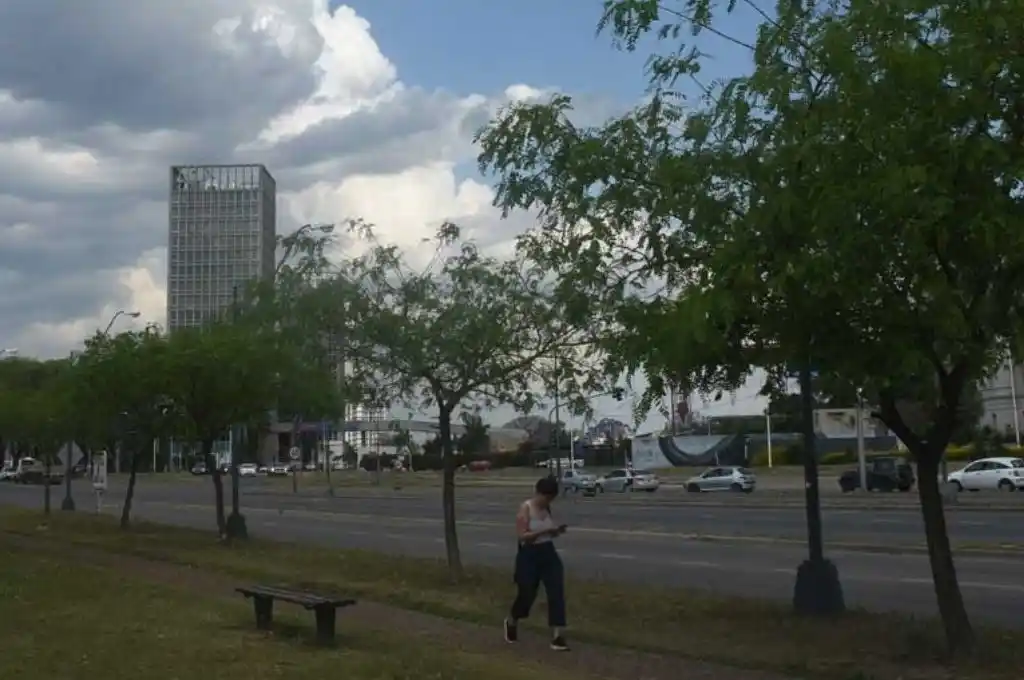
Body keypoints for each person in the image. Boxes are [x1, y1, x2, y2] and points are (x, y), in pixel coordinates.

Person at [503, 475, 569, 651]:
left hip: (548, 552)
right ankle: (512, 619)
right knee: (527, 593)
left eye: (551, 498)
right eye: (546, 497)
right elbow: (522, 536)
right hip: (529, 555)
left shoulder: (547, 509)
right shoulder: (526, 508)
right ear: (538, 493)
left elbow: (549, 532)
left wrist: (555, 531)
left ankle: (558, 635)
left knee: (556, 591)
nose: (548, 501)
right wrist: (544, 531)